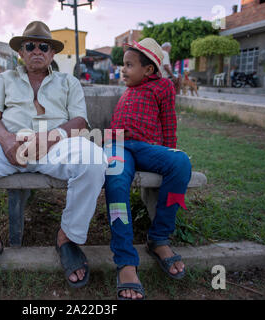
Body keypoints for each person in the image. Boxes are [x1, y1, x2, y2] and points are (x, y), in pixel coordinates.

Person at [0, 21, 107, 299]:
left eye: (44, 46)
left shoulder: (68, 81)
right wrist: (6, 141)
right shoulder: (5, 79)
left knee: (94, 159)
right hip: (10, 148)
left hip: (55, 147)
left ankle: (67, 239)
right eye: (30, 46)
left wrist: (47, 139)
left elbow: (80, 121)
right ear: (21, 53)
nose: (37, 50)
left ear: (51, 54)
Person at [104, 38, 192, 300]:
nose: (123, 70)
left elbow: (169, 124)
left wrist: (167, 154)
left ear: (149, 70)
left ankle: (159, 238)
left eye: (129, 65)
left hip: (147, 148)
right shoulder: (128, 89)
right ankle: (125, 258)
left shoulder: (162, 86)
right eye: (123, 65)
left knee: (180, 161)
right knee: (116, 179)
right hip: (118, 147)